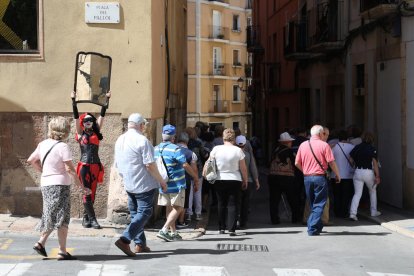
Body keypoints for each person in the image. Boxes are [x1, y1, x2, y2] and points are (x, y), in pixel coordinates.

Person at [28, 116, 90, 260]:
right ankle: (58, 249)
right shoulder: (63, 147)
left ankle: (43, 243)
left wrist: (44, 171)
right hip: (60, 186)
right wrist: (80, 186)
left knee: (53, 214)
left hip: (46, 184)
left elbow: (31, 160)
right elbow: (69, 169)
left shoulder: (43, 144)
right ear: (65, 131)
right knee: (61, 217)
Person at [113, 113, 167, 256]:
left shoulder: (120, 139)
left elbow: (117, 164)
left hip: (129, 183)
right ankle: (125, 239)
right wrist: (161, 180)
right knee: (144, 212)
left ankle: (140, 244)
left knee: (136, 214)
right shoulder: (142, 141)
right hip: (144, 184)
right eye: (144, 125)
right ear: (141, 125)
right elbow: (150, 164)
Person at [71, 91, 111, 229]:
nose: (88, 122)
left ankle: (85, 218)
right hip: (84, 166)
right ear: (83, 123)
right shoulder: (80, 133)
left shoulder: (96, 131)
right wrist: (73, 101)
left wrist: (106, 99)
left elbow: (103, 114)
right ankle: (93, 220)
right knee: (86, 191)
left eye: (90, 120)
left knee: (92, 192)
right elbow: (76, 117)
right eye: (86, 120)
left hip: (95, 165)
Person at [155, 125, 199, 242]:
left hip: (163, 184)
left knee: (169, 208)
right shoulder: (175, 149)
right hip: (177, 184)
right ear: (173, 137)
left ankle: (173, 232)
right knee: (179, 207)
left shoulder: (156, 149)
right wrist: (195, 177)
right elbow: (185, 165)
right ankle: (164, 230)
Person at [295, 125, 341, 236]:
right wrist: (337, 174)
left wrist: (306, 171)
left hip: (307, 177)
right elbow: (331, 162)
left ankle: (318, 226)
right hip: (319, 177)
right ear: (320, 134)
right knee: (320, 203)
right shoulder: (324, 145)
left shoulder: (303, 145)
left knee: (312, 203)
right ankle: (312, 228)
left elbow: (296, 163)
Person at [204, 128, 248, 236]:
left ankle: (221, 228)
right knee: (233, 204)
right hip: (235, 179)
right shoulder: (238, 150)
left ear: (223, 138)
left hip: (219, 178)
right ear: (234, 138)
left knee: (221, 203)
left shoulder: (216, 149)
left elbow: (209, 162)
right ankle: (232, 229)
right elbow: (243, 168)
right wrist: (245, 180)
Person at [268, 132, 300, 224]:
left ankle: (274, 219)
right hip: (287, 178)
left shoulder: (275, 150)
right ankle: (295, 218)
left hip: (273, 177)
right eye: (290, 141)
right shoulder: (290, 151)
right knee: (292, 198)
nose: (291, 143)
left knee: (274, 200)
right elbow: (295, 163)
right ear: (287, 142)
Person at [349, 132, 381, 221]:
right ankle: (373, 211)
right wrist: (377, 176)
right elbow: (375, 163)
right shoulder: (372, 149)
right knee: (372, 191)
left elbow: (350, 159)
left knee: (357, 193)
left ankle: (352, 213)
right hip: (368, 172)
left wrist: (353, 165)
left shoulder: (357, 147)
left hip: (358, 171)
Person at [236, 135, 260, 228]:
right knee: (245, 202)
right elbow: (253, 168)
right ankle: (243, 222)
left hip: (236, 180)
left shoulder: (234, 154)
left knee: (236, 201)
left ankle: (236, 219)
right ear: (245, 144)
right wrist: (257, 180)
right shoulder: (248, 155)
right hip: (248, 180)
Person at [176, 132, 199, 227]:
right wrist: (196, 181)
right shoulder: (191, 154)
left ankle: (170, 220)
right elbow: (194, 169)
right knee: (183, 201)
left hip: (171, 179)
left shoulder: (172, 149)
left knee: (171, 201)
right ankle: (181, 221)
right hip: (185, 180)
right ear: (187, 141)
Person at [331, 130, 355, 218]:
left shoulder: (334, 147)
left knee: (337, 194)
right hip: (348, 175)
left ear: (338, 138)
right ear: (347, 137)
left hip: (335, 175)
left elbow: (330, 160)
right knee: (346, 195)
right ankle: (344, 212)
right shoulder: (352, 147)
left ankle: (337, 212)